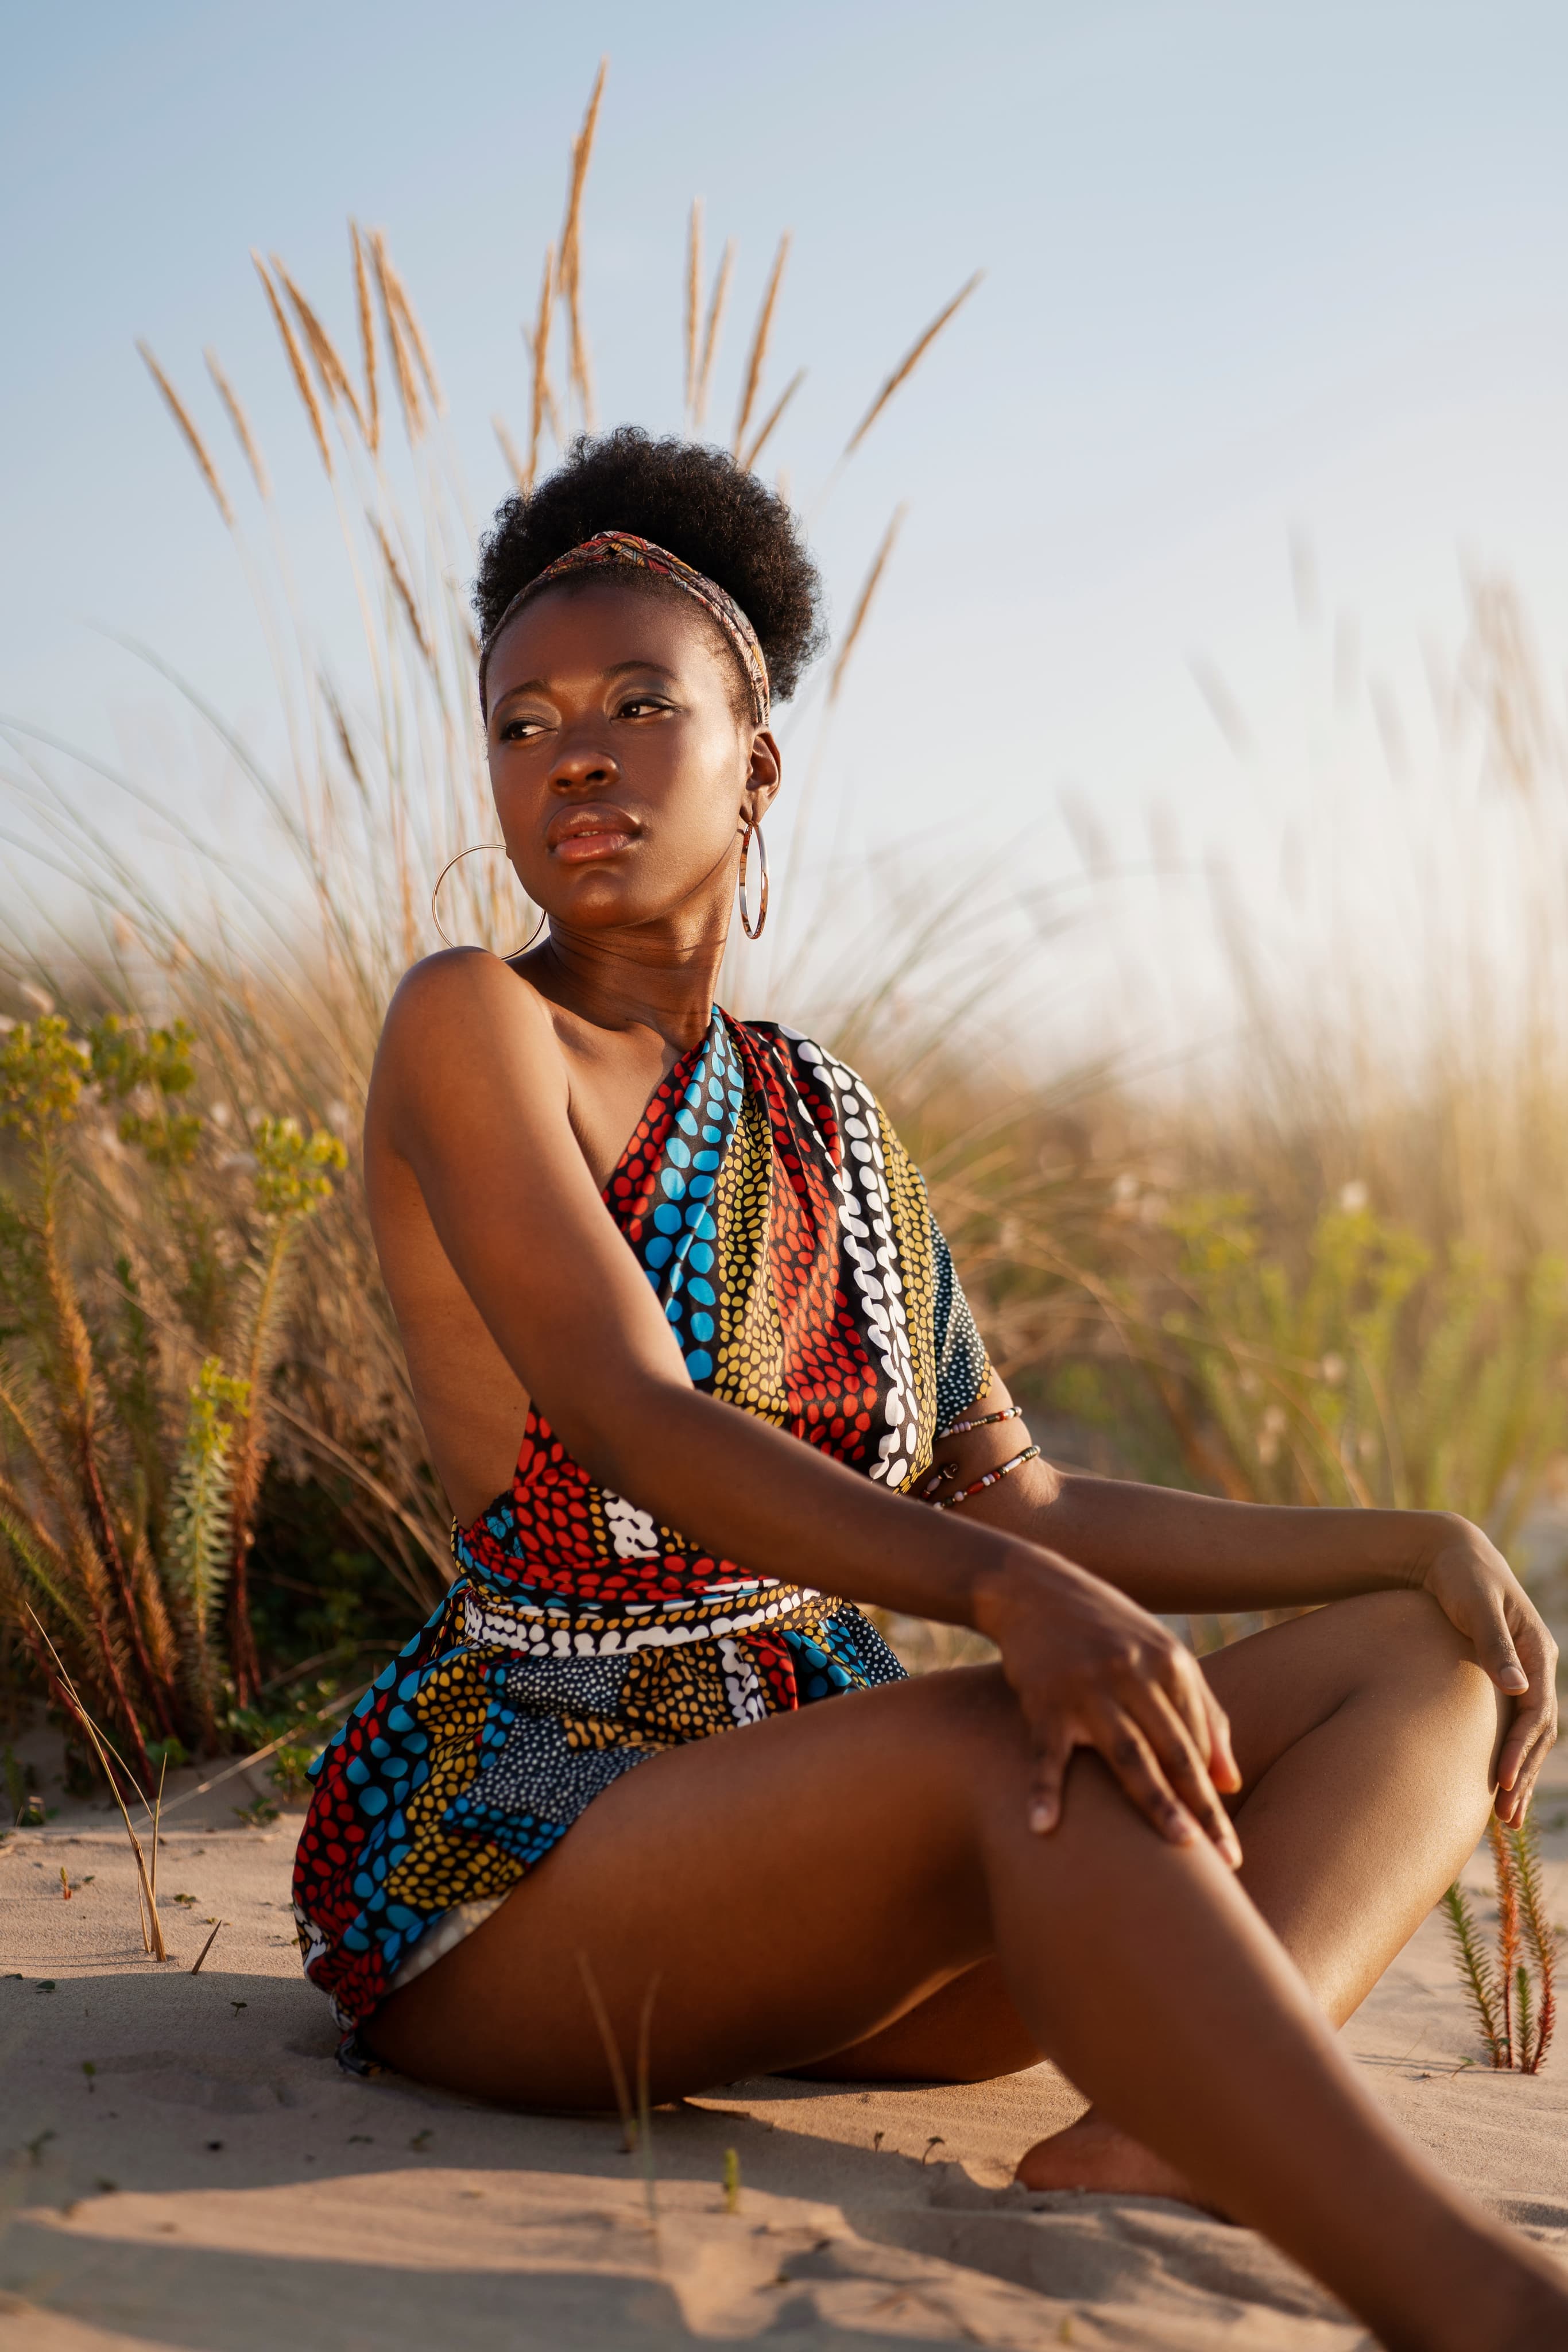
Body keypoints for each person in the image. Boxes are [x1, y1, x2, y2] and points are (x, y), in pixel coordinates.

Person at [293, 427, 1567, 2349]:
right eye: (523, 719)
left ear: (758, 760)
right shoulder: (474, 1024)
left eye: (645, 703)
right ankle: (1481, 2305)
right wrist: (1004, 1604)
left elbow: (1022, 1502)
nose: (576, 753)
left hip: (838, 1872)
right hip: (530, 1863)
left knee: (1417, 1656)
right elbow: (634, 1415)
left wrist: (1416, 1536)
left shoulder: (831, 1120)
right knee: (997, 1730)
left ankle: (1162, 2125)